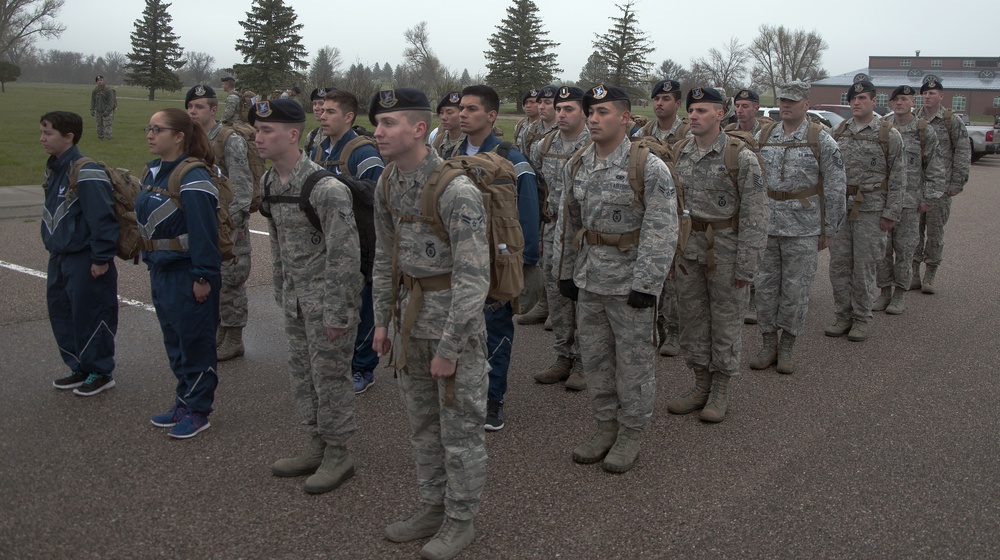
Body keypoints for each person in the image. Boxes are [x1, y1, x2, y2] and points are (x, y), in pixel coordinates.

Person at [370, 87, 490, 560]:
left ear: (419, 129)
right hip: (408, 321)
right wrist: (382, 320)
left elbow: (472, 276)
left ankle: (461, 520)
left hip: (449, 328)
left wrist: (451, 346)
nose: (378, 131)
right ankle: (431, 507)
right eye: (377, 123)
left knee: (459, 432)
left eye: (389, 123)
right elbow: (385, 257)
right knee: (422, 426)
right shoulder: (386, 181)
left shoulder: (454, 189)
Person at [557, 84, 677, 472]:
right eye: (590, 111)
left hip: (629, 285)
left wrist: (647, 285)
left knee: (634, 363)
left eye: (603, 112)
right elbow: (568, 223)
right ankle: (605, 425)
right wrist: (565, 273)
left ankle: (631, 432)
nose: (593, 118)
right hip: (590, 279)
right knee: (595, 360)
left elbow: (661, 229)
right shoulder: (577, 162)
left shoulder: (647, 165)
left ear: (625, 117)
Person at [253, 99, 362, 493]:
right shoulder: (270, 182)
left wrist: (337, 312)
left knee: (330, 377)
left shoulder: (325, 188)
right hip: (296, 300)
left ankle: (339, 453)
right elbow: (278, 245)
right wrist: (282, 292)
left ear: (293, 135)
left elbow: (346, 255)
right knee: (303, 376)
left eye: (267, 131)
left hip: (327, 302)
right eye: (257, 130)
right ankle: (315, 442)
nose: (258, 137)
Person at [665, 86, 769, 423]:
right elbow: (670, 207)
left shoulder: (740, 156)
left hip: (726, 251)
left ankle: (721, 387)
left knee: (725, 323)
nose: (693, 116)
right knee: (692, 320)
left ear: (720, 113)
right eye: (691, 110)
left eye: (702, 111)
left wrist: (747, 264)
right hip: (688, 250)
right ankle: (700, 383)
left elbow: (756, 214)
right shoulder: (679, 151)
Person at [453, 84, 540, 431]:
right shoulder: (450, 153)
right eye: (461, 108)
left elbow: (528, 210)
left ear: (490, 116)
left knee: (494, 328)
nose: (463, 114)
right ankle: (462, 393)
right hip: (458, 259)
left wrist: (526, 262)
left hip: (497, 260)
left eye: (472, 109)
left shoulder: (512, 159)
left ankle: (493, 398)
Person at [749, 81, 846, 374]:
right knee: (765, 288)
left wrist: (829, 228)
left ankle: (788, 345)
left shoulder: (821, 139)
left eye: (793, 100)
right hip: (768, 225)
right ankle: (768, 344)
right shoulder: (764, 135)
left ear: (806, 104)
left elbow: (835, 186)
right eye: (783, 100)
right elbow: (751, 179)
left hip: (803, 228)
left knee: (796, 290)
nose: (786, 105)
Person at [138, 108, 221, 439]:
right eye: (150, 127)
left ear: (179, 136)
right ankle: (183, 401)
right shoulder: (154, 171)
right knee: (174, 340)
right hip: (162, 271)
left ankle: (199, 410)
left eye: (158, 129)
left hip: (189, 274)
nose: (150, 134)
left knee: (196, 342)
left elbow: (204, 233)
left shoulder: (194, 178)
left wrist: (202, 277)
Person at [41, 111, 120, 396]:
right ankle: (79, 366)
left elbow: (102, 218)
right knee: (62, 312)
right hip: (59, 255)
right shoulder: (54, 168)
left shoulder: (86, 170)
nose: (43, 138)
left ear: (69, 136)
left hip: (84, 257)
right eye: (43, 132)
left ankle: (100, 370)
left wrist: (101, 258)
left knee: (91, 312)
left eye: (48, 133)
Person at [313, 88, 384, 394]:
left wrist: (338, 182)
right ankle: (342, 357)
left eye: (330, 111)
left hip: (363, 238)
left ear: (349, 116)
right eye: (320, 109)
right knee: (338, 300)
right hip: (331, 239)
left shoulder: (362, 151)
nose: (322, 115)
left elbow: (377, 192)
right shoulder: (319, 147)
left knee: (365, 303)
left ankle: (363, 366)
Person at [826, 81, 904, 342]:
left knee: (865, 267)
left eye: (861, 98)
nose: (856, 103)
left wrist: (891, 212)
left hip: (872, 210)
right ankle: (842, 316)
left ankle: (861, 318)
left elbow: (898, 176)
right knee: (839, 266)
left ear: (873, 100)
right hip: (841, 210)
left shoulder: (888, 134)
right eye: (852, 99)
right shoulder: (838, 131)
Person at [185, 84, 255, 360]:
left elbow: (242, 183)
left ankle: (234, 337)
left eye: (199, 106)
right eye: (190, 106)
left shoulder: (228, 139)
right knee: (209, 278)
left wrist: (233, 224)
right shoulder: (191, 139)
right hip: (205, 219)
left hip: (229, 222)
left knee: (231, 280)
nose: (192, 111)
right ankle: (217, 331)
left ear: (214, 110)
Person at [529, 86, 591, 390]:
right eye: (560, 108)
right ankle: (563, 356)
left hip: (583, 234)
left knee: (582, 296)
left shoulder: (594, 144)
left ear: (583, 112)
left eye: (569, 109)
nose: (562, 113)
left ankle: (583, 361)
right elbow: (539, 186)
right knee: (557, 294)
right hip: (553, 230)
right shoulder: (543, 145)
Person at [873, 85, 946, 315]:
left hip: (909, 202)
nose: (899, 103)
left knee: (904, 250)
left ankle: (899, 294)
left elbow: (935, 167)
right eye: (896, 100)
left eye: (904, 99)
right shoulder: (881, 127)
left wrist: (930, 198)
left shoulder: (923, 131)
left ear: (912, 102)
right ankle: (884, 291)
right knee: (882, 250)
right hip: (882, 201)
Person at [632, 79, 689, 357]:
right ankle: (654, 327)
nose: (659, 104)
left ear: (678, 103)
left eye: (666, 99)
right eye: (656, 99)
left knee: (674, 277)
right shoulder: (642, 133)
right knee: (653, 270)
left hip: (680, 211)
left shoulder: (688, 133)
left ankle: (675, 332)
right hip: (650, 209)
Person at [912, 79, 971, 294]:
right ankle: (913, 273)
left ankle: (930, 274)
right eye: (925, 93)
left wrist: (957, 183)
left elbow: (963, 152)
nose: (927, 96)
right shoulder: (913, 119)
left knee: (935, 232)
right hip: (915, 187)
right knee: (913, 233)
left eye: (932, 93)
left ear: (941, 96)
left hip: (941, 188)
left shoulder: (951, 121)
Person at [515, 85, 558, 327]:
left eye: (546, 103)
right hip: (537, 196)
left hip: (556, 197)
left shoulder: (562, 128)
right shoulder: (530, 130)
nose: (541, 106)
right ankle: (543, 303)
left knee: (557, 258)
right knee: (541, 253)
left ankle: (557, 308)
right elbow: (524, 161)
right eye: (539, 102)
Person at [428, 91, 465, 157]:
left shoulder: (472, 141)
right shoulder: (436, 137)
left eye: (449, 112)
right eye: (441, 113)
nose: (443, 117)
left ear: (462, 113)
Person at [303, 86, 334, 156]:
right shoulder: (312, 136)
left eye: (321, 104)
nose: (316, 108)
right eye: (314, 104)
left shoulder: (346, 137)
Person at [513, 88, 540, 153]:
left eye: (532, 102)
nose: (528, 106)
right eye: (526, 103)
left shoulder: (546, 126)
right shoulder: (520, 126)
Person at [90, 76, 116, 140]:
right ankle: (100, 138)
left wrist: (107, 111)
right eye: (98, 80)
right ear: (96, 82)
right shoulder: (95, 90)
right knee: (99, 126)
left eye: (101, 80)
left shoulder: (108, 90)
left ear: (103, 81)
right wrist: (92, 109)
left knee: (107, 126)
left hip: (106, 112)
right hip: (98, 111)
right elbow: (93, 101)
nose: (99, 81)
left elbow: (111, 102)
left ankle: (109, 139)